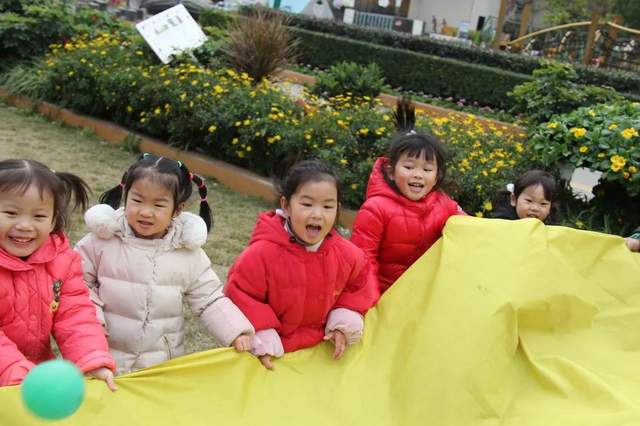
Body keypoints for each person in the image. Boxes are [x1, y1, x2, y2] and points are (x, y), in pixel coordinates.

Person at [75, 154, 254, 375]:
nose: (145, 212)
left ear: (177, 210)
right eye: (137, 200)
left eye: (159, 204)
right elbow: (77, 285)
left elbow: (209, 299)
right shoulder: (101, 241)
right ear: (125, 196)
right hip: (102, 355)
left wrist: (236, 331)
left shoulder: (188, 253)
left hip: (159, 363)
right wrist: (92, 324)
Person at [225, 160, 378, 370]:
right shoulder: (261, 254)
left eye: (328, 206)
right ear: (286, 205)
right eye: (307, 204)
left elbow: (359, 286)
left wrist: (343, 322)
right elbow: (241, 293)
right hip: (274, 356)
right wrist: (263, 336)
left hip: (321, 355)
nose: (317, 214)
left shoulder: (348, 255)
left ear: (337, 209)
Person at [0, 159, 116, 390]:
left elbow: (75, 315)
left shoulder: (62, 261)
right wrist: (16, 373)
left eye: (39, 216)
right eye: (11, 213)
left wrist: (91, 359)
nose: (25, 225)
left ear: (54, 220)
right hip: (19, 378)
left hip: (35, 380)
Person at [350, 98, 465, 294]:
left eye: (427, 169)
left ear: (437, 176)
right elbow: (364, 262)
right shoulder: (376, 208)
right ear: (391, 171)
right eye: (409, 167)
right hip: (383, 294)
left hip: (422, 295)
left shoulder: (444, 204)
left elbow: (468, 227)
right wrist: (373, 301)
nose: (418, 174)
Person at [492, 170, 557, 224]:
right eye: (529, 201)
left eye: (543, 203)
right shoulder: (502, 224)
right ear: (514, 199)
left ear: (550, 207)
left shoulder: (552, 230)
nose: (535, 208)